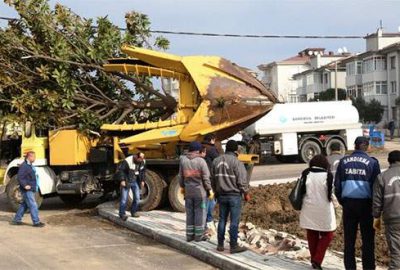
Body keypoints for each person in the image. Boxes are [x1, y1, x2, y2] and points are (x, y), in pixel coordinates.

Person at [334, 136, 381, 270]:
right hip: (366, 206)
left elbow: (337, 186)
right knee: (368, 241)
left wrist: (343, 202)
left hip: (348, 205)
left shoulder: (343, 162)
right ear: (366, 146)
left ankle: (350, 268)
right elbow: (376, 187)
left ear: (355, 146)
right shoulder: (372, 163)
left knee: (349, 241)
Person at [212, 140, 250, 254]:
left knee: (222, 219)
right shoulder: (237, 162)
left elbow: (212, 179)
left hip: (221, 195)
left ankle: (220, 244)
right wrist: (246, 193)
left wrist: (215, 192)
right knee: (234, 221)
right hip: (234, 196)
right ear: (236, 150)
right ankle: (233, 246)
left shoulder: (216, 161)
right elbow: (242, 181)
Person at [299, 155, 336, 269]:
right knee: (328, 234)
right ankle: (317, 259)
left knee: (312, 234)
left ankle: (314, 260)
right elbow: (332, 194)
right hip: (324, 209)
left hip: (308, 208)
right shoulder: (328, 176)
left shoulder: (306, 173)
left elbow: (300, 190)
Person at [179, 141, 213, 242]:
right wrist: (209, 189)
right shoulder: (201, 161)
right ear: (198, 151)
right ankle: (198, 236)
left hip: (188, 192)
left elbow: (180, 176)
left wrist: (182, 187)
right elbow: (206, 178)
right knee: (200, 213)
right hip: (200, 193)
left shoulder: (183, 160)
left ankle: (189, 236)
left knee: (190, 213)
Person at [373, 150, 400, 270]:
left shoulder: (382, 177)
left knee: (396, 251)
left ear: (389, 161)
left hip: (392, 218)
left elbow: (377, 201)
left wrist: (376, 217)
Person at [11, 151, 45, 227]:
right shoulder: (24, 166)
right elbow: (20, 177)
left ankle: (16, 220)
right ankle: (36, 222)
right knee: (33, 205)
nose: (35, 158)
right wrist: (25, 185)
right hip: (27, 189)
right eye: (33, 157)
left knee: (24, 205)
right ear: (29, 157)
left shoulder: (29, 165)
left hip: (31, 188)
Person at [118, 152, 146, 220]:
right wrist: (122, 180)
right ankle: (122, 214)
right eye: (139, 159)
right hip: (127, 180)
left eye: (142, 159)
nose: (141, 161)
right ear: (136, 157)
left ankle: (133, 212)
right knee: (124, 199)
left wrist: (142, 180)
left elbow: (142, 171)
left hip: (135, 181)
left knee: (137, 198)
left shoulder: (142, 161)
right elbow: (121, 171)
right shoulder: (128, 161)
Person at [202, 134, 220, 235]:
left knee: (205, 200)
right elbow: (218, 161)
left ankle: (205, 221)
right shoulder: (211, 149)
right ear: (212, 140)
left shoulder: (201, 147)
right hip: (209, 178)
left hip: (201, 179)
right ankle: (208, 220)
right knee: (211, 199)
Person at [327, 142, 345, 225]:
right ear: (340, 149)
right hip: (342, 186)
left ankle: (334, 223)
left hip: (330, 187)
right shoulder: (345, 159)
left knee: (333, 206)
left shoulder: (326, 159)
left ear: (330, 149)